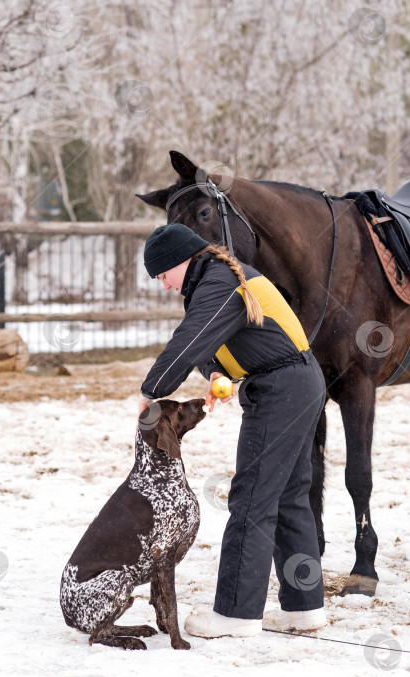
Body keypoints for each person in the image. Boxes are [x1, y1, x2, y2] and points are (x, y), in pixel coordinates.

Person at [139, 222, 327, 639]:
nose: (165, 286)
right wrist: (217, 372)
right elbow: (211, 345)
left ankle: (236, 613)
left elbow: (189, 341)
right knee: (290, 495)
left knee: (252, 497)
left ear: (178, 262)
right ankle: (304, 607)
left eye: (162, 275)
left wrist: (152, 390)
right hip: (300, 381)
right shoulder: (221, 278)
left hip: (281, 388)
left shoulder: (219, 280)